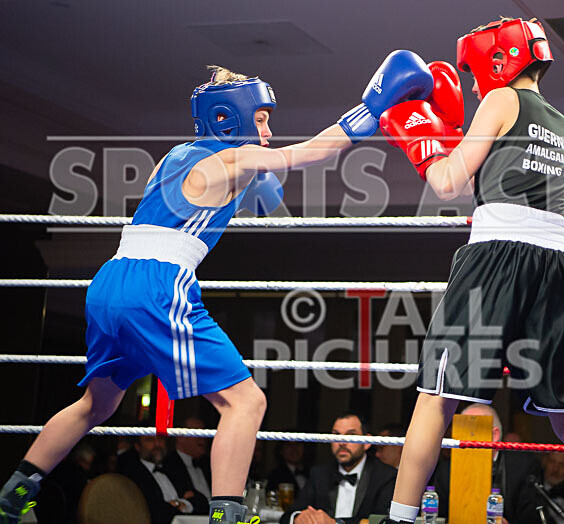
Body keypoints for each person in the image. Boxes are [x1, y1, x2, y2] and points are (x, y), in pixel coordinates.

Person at [0, 51, 435, 524]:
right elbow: (306, 153)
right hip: (158, 285)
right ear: (233, 120)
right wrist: (370, 110)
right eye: (263, 120)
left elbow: (230, 194)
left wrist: (256, 179)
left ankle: (17, 489)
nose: (268, 133)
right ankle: (226, 516)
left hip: (108, 283)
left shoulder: (175, 157)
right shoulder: (235, 155)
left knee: (96, 404)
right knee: (247, 402)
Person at [377, 17, 564, 523]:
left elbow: (448, 184)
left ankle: (399, 518)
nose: (475, 84)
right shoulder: (560, 121)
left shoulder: (500, 101)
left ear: (498, 61)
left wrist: (418, 137)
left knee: (436, 398)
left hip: (496, 258)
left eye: (476, 72)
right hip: (556, 265)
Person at [280, 412, 397, 524]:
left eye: (351, 435)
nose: (341, 442)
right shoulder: (319, 474)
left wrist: (335, 523)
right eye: (336, 435)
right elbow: (288, 515)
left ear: (367, 442)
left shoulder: (386, 476)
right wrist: (298, 517)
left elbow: (382, 520)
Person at [460, 404, 543, 524]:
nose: (466, 438)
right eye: (463, 430)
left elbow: (531, 518)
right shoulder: (447, 470)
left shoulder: (522, 467)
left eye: (473, 430)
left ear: (495, 435)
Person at [118, 435, 206, 523]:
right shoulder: (133, 475)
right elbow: (154, 512)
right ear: (138, 447)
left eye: (160, 439)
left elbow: (202, 501)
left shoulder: (174, 469)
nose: (157, 444)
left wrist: (178, 504)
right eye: (150, 440)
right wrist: (182, 504)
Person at [162, 417, 212, 511]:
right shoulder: (169, 464)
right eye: (197, 433)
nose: (203, 438)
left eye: (204, 433)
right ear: (180, 437)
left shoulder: (208, 464)